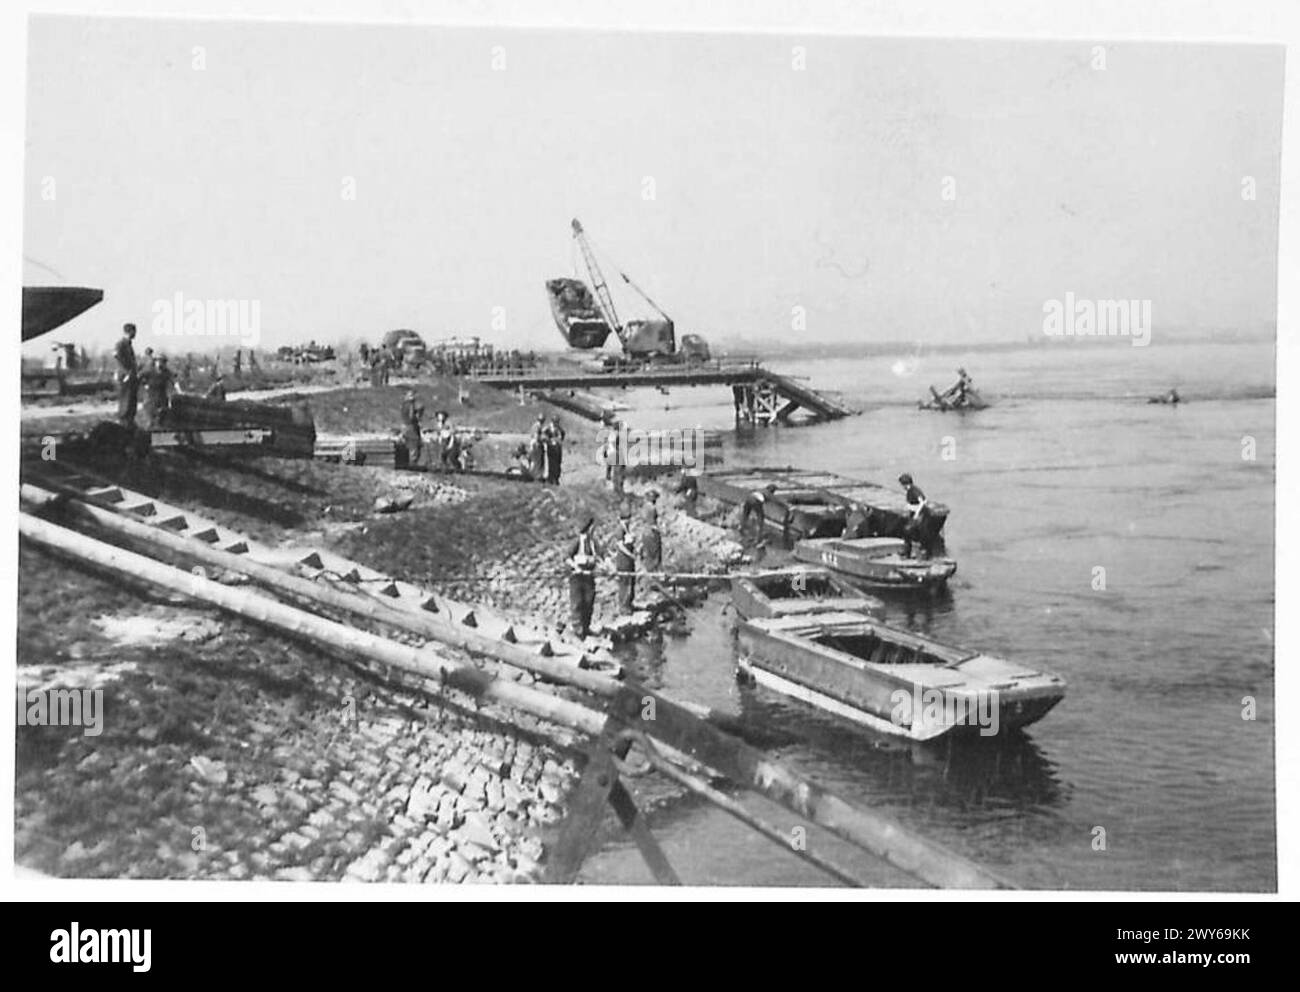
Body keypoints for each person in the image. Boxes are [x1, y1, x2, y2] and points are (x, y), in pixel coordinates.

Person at [566, 516, 600, 639]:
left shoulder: (592, 543)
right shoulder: (577, 542)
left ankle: (586, 628)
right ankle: (578, 630)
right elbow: (567, 557)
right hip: (577, 577)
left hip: (589, 576)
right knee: (577, 603)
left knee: (588, 602)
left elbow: (600, 556)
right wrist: (576, 566)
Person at [898, 473, 931, 558]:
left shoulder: (914, 490)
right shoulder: (911, 490)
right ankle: (908, 551)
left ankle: (908, 552)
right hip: (915, 514)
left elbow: (923, 501)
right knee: (907, 530)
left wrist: (916, 512)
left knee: (907, 530)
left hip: (920, 515)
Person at [114, 323, 139, 426]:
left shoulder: (128, 344)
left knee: (131, 399)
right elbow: (117, 356)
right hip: (125, 376)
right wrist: (127, 372)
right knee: (126, 399)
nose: (135, 334)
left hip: (130, 375)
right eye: (134, 332)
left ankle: (129, 421)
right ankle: (123, 422)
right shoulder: (121, 343)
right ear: (130, 332)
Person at [614, 505, 637, 614]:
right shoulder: (619, 529)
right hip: (623, 560)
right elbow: (620, 546)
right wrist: (630, 554)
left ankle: (629, 603)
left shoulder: (627, 529)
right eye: (626, 519)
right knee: (624, 583)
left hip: (629, 560)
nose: (628, 521)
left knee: (630, 581)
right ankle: (623, 606)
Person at [400, 389, 425, 468]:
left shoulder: (404, 404)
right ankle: (412, 463)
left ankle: (408, 461)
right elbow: (411, 417)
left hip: (405, 426)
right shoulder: (410, 404)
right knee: (414, 444)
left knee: (408, 444)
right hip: (411, 426)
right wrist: (418, 415)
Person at [641, 490, 663, 574]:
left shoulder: (645, 507)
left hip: (645, 532)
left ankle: (649, 570)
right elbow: (652, 522)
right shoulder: (652, 508)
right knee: (654, 552)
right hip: (651, 532)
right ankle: (654, 571)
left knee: (648, 552)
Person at [544, 417, 566, 485]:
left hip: (558, 447)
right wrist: (549, 441)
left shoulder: (559, 429)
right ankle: (551, 478)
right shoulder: (548, 428)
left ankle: (556, 478)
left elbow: (563, 434)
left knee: (557, 463)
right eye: (555, 422)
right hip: (551, 447)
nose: (556, 423)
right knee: (551, 463)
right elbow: (544, 436)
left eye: (557, 422)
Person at [529, 414, 547, 481]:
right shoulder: (537, 426)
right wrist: (543, 438)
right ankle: (535, 476)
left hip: (532, 443)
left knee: (534, 461)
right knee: (537, 461)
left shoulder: (534, 425)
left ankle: (533, 475)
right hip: (536, 444)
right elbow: (537, 437)